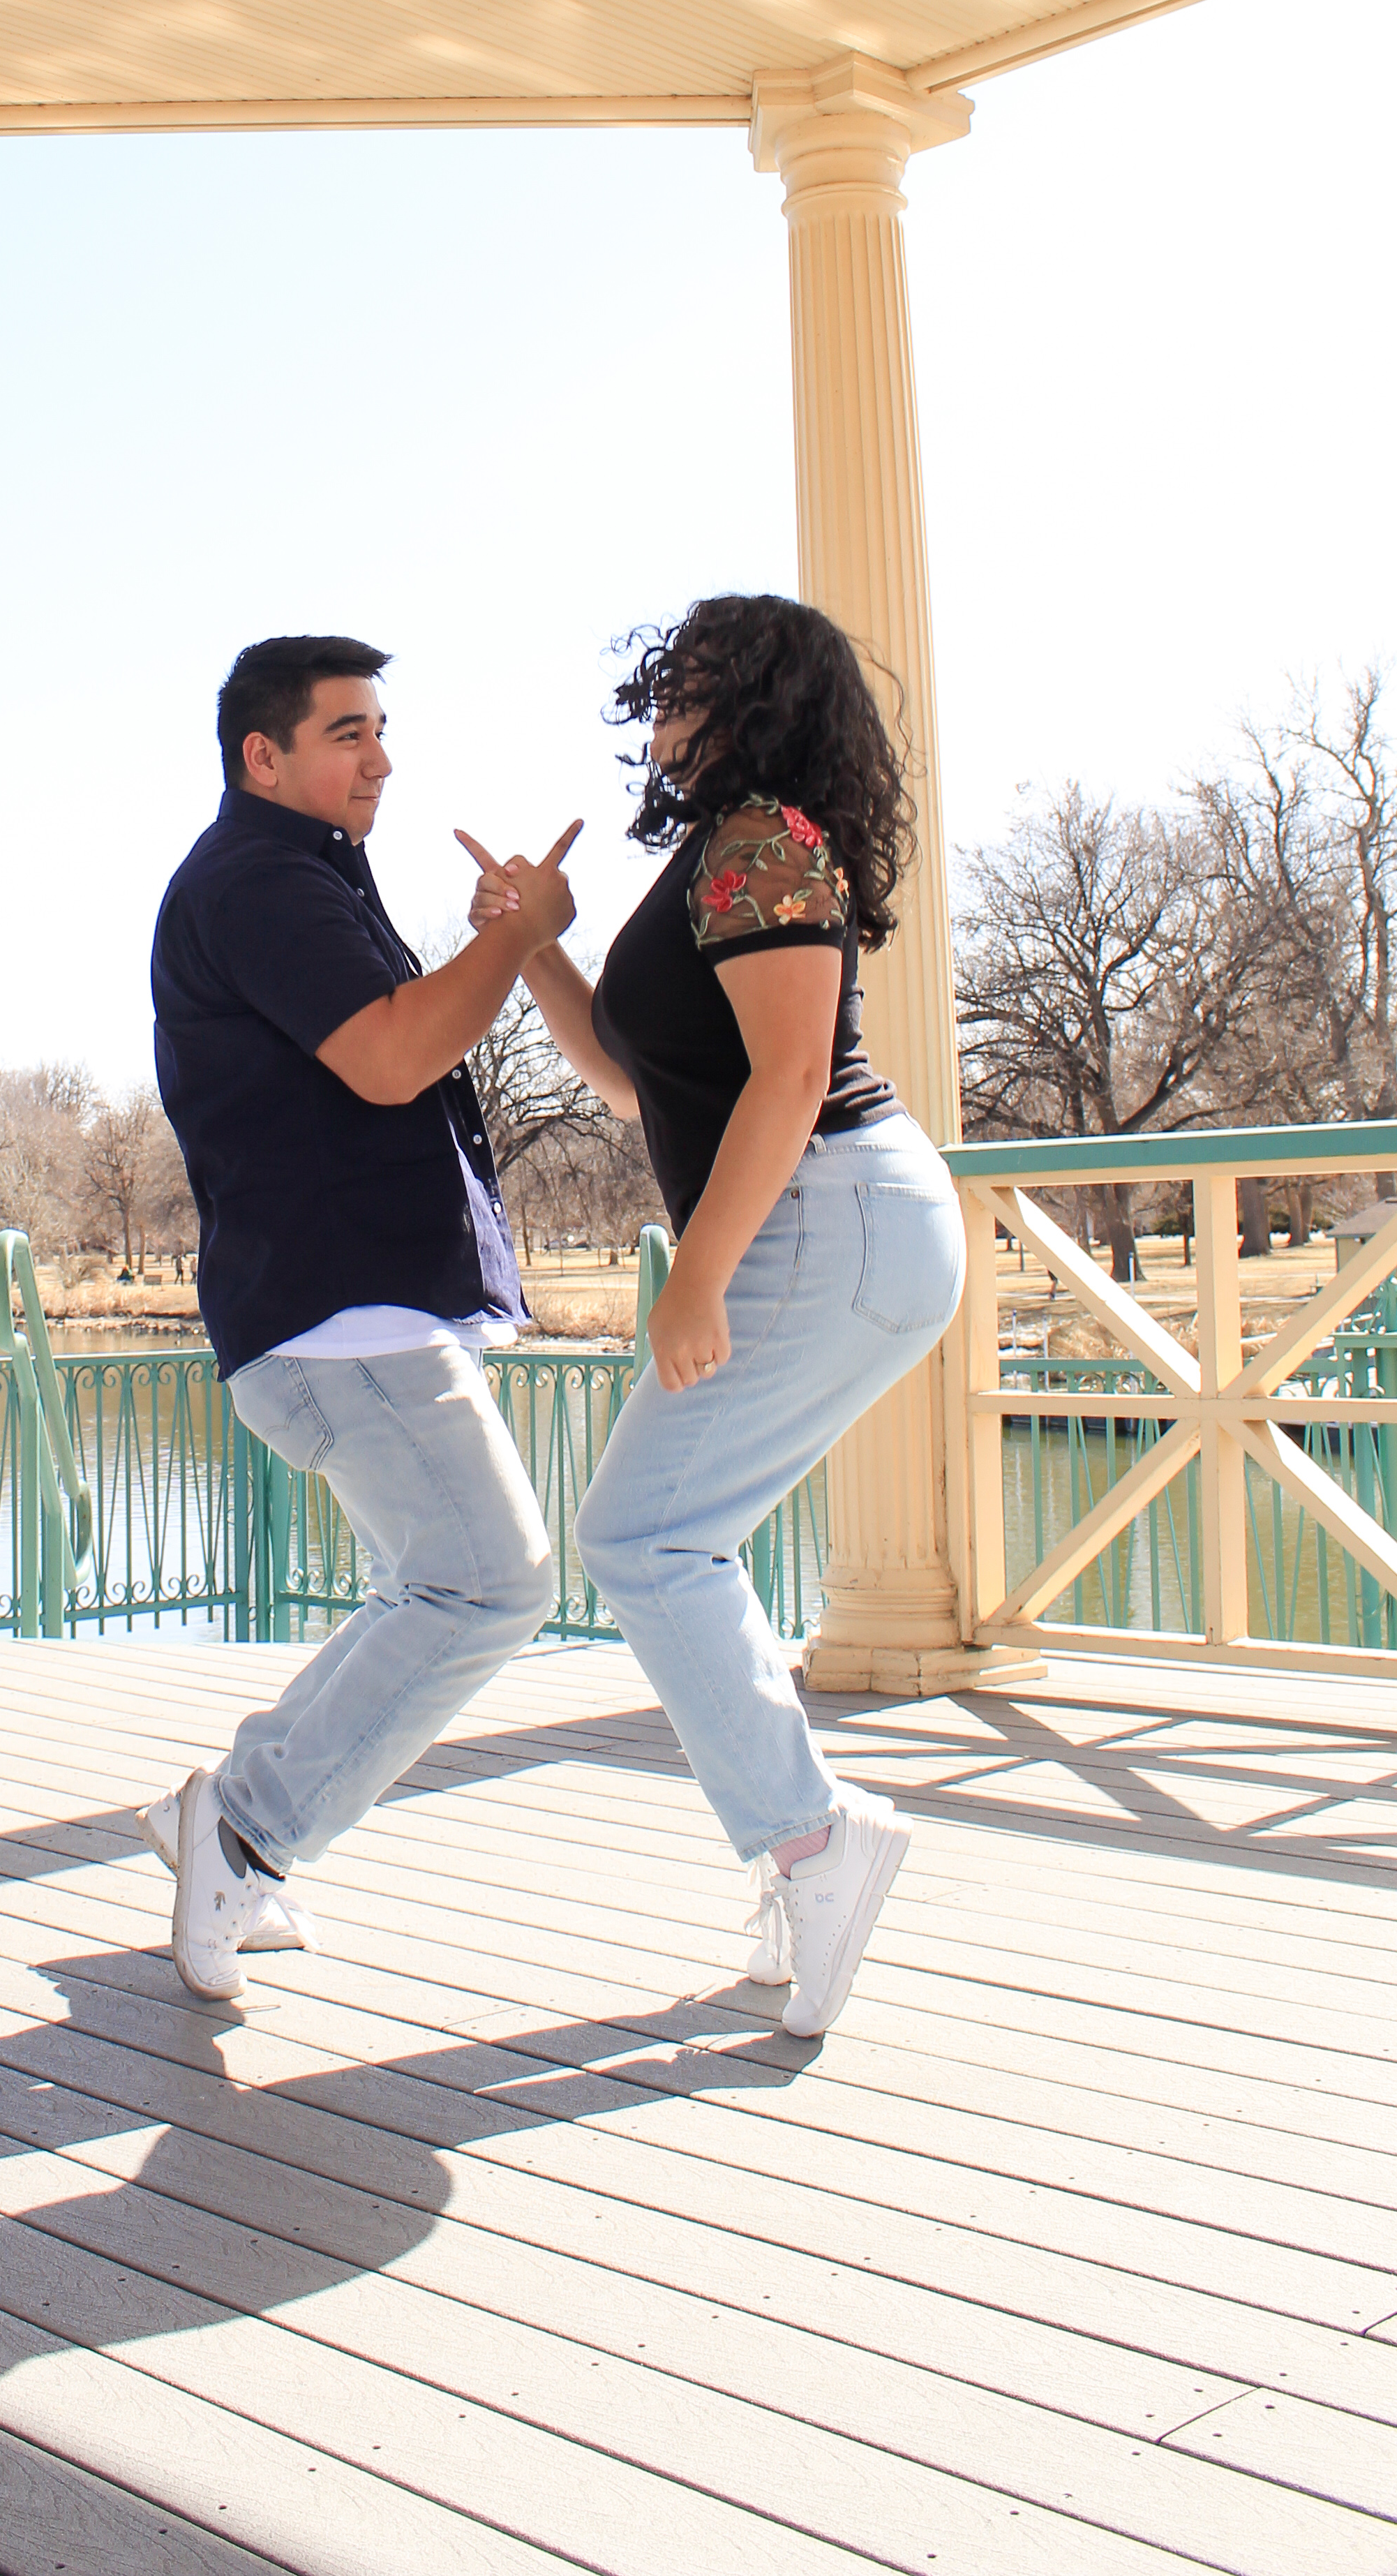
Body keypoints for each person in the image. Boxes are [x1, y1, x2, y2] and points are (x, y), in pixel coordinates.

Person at [468, 593, 964, 2037]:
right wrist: (542, 941)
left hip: (835, 1209)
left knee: (642, 1536)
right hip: (836, 1218)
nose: (664, 716)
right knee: (665, 1538)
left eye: (689, 689)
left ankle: (813, 1842)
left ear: (752, 701)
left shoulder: (765, 842)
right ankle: (804, 1845)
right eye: (664, 690)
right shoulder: (726, 852)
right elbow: (639, 1081)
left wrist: (696, 1275)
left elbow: (795, 1077)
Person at [147, 633, 581, 2004]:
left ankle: (226, 1823)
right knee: (488, 1582)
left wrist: (493, 944)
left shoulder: (300, 877)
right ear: (260, 755)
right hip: (341, 1318)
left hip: (353, 1314)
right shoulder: (264, 881)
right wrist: (513, 937)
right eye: (347, 733)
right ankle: (245, 1830)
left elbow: (395, 1039)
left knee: (444, 1583)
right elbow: (396, 1057)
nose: (379, 758)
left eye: (381, 731)